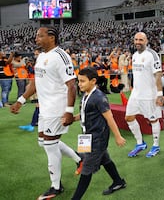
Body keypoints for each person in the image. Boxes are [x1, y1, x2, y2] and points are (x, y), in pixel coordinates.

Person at [10, 26, 83, 199]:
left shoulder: (61, 56)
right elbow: (35, 82)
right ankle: (79, 159)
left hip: (57, 109)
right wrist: (21, 100)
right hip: (44, 108)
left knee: (50, 145)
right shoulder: (41, 56)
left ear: (51, 37)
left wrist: (68, 112)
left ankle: (56, 187)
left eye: (40, 36)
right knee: (44, 143)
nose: (36, 39)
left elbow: (71, 85)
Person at [67, 67, 127, 199]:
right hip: (88, 137)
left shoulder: (99, 97)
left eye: (82, 81)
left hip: (97, 140)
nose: (79, 84)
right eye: (79, 81)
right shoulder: (86, 94)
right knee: (105, 159)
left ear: (93, 81)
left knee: (86, 169)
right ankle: (118, 181)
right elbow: (85, 114)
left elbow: (109, 117)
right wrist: (72, 119)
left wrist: (118, 136)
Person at [125, 32, 163, 158]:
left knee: (153, 119)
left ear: (146, 41)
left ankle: (156, 145)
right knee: (129, 117)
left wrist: (159, 94)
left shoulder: (152, 55)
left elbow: (158, 74)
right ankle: (140, 143)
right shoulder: (135, 55)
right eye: (136, 39)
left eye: (141, 40)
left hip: (149, 94)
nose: (138, 42)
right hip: (136, 94)